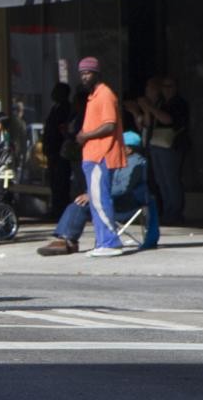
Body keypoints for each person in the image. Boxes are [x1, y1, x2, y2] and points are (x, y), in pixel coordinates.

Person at [37, 131, 155, 254]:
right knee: (79, 203)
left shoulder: (135, 163)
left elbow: (122, 188)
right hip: (109, 200)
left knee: (85, 203)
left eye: (118, 145)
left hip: (125, 204)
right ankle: (66, 239)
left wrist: (93, 195)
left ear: (129, 149)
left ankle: (67, 240)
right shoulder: (117, 160)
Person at [74, 57, 128, 257]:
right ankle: (102, 241)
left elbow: (109, 125)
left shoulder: (105, 94)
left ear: (97, 74)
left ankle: (110, 242)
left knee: (100, 200)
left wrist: (85, 135)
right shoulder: (93, 96)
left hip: (101, 155)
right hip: (92, 155)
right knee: (96, 199)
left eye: (87, 73)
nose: (84, 77)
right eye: (81, 73)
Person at [130, 76, 188, 225]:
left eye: (170, 86)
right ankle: (167, 211)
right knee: (161, 181)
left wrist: (150, 108)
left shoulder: (178, 103)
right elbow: (149, 124)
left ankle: (175, 212)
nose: (167, 89)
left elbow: (167, 120)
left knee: (171, 180)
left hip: (171, 145)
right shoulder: (161, 102)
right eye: (164, 86)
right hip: (156, 143)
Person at [41, 82, 76, 222]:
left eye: (56, 91)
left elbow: (61, 129)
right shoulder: (55, 108)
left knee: (61, 182)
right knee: (54, 182)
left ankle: (61, 211)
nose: (53, 94)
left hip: (60, 150)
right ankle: (55, 209)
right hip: (52, 150)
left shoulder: (65, 108)